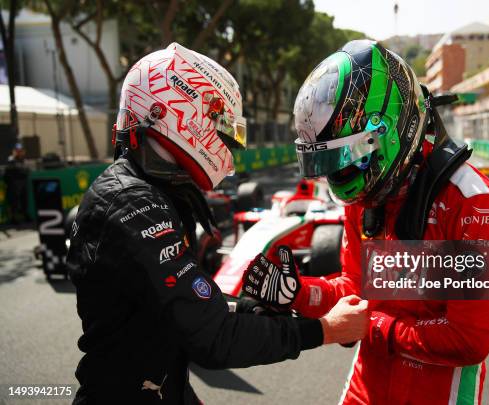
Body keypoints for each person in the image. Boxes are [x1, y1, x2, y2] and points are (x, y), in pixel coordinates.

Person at [66, 42, 369, 404]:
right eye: (223, 130)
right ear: (178, 113)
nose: (226, 145)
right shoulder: (135, 203)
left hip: (160, 387)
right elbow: (213, 337)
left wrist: (250, 308)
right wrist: (323, 330)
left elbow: (189, 307)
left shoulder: (150, 191)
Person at [242, 40, 489, 405]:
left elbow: (469, 337)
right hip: (365, 387)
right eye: (328, 164)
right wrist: (300, 293)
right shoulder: (366, 197)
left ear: (385, 130)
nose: (339, 175)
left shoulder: (476, 206)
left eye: (345, 158)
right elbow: (356, 288)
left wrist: (375, 326)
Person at [3, 143, 30, 224]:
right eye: (18, 151)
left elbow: (26, 171)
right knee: (14, 202)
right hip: (13, 184)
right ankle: (13, 218)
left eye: (21, 151)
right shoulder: (11, 160)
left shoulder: (23, 160)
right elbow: (13, 171)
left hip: (22, 183)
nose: (19, 152)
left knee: (24, 200)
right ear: (14, 151)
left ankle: (24, 215)